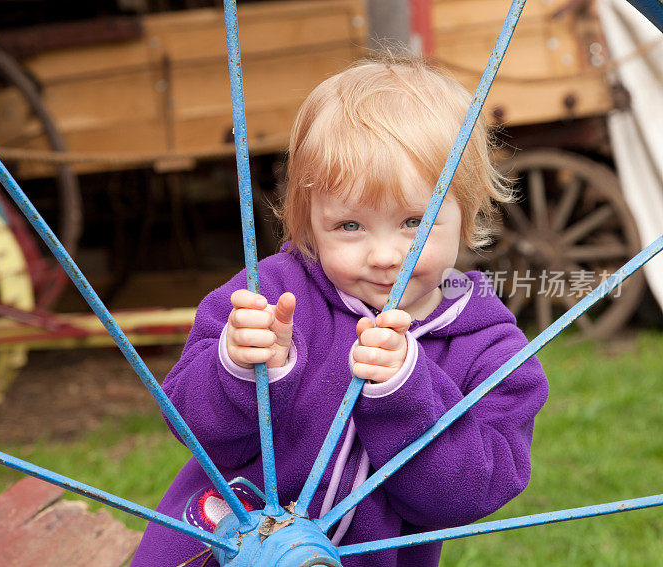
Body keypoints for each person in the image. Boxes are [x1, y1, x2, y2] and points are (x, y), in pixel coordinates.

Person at [132, 52, 549, 566]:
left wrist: (405, 393)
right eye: (349, 226)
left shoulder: (491, 350)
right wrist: (240, 367)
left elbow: (471, 495)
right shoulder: (271, 297)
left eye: (414, 221)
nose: (383, 256)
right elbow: (190, 425)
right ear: (308, 223)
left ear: (467, 212)